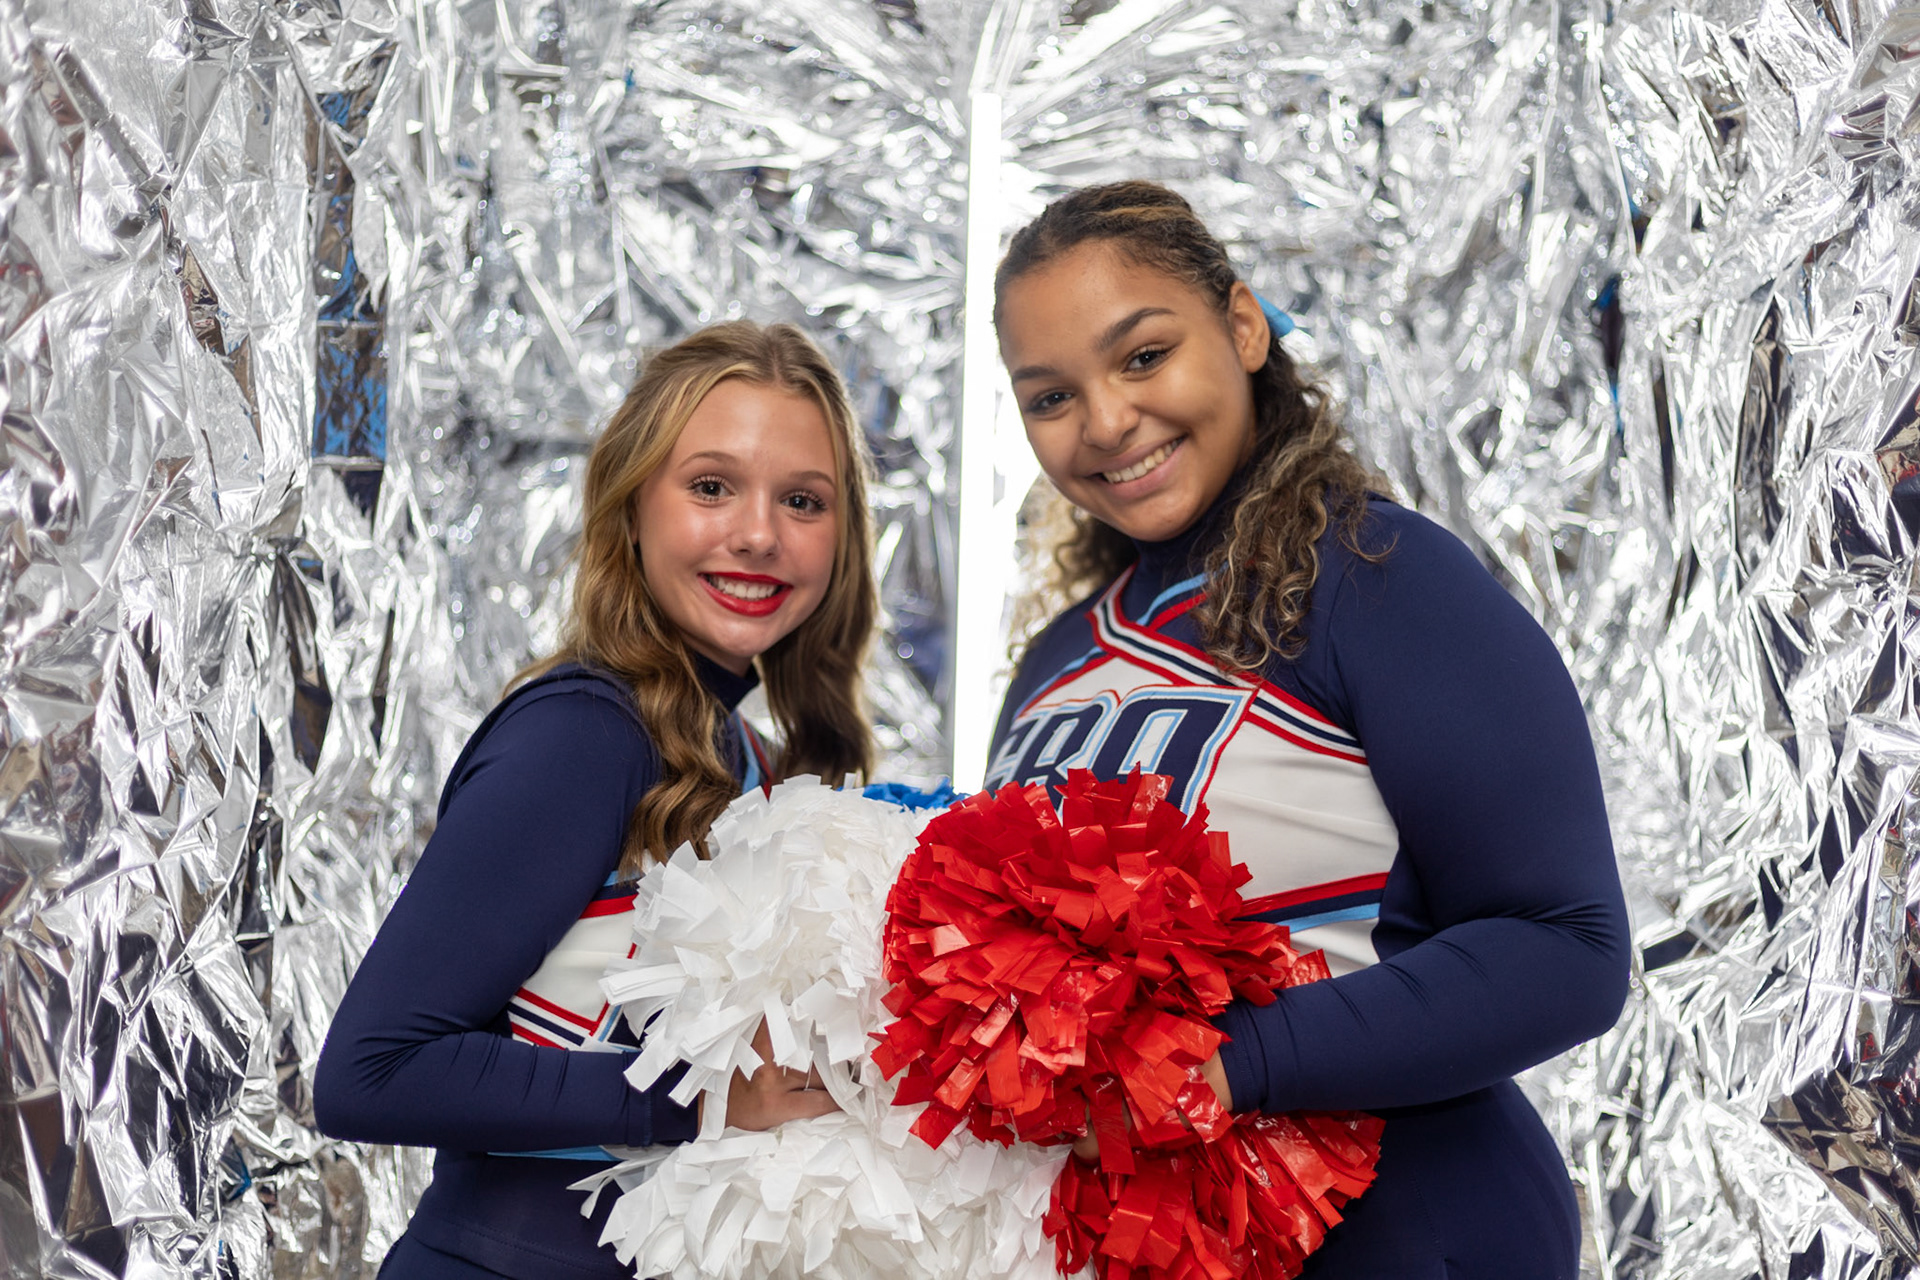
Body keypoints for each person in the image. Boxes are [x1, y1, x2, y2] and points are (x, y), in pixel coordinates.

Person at [985, 181, 1629, 1277]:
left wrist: (1231, 1063)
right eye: (1051, 395)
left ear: (1243, 328)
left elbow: (1566, 944)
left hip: (1402, 1224)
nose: (1105, 422)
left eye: (1144, 356)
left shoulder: (1379, 576)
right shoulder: (1052, 663)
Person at [314, 322, 877, 1279]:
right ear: (631, 505)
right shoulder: (586, 732)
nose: (759, 533)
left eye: (802, 500)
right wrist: (699, 1097)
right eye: (711, 486)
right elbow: (371, 1073)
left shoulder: (752, 757)